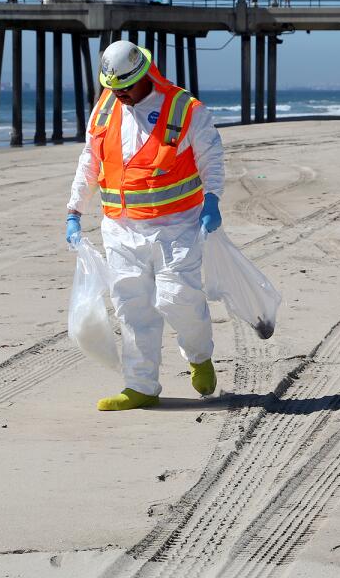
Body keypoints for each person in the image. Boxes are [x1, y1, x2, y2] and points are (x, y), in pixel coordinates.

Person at [65, 39, 225, 411]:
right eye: (113, 88)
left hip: (176, 225)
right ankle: (140, 386)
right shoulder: (105, 109)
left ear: (146, 75)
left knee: (179, 299)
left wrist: (212, 199)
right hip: (121, 227)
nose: (120, 95)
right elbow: (89, 160)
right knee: (132, 306)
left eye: (126, 87)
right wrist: (74, 211)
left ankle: (199, 356)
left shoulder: (185, 109)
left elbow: (211, 158)